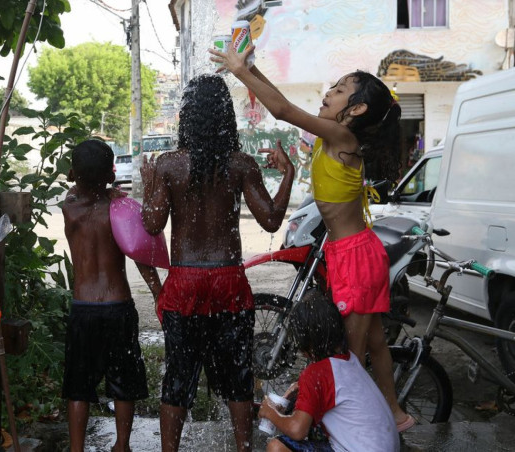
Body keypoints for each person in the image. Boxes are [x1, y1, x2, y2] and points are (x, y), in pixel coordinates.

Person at [210, 43, 413, 431]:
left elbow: (284, 111)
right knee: (373, 342)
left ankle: (343, 426)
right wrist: (250, 68)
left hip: (354, 256)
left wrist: (239, 71)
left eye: (339, 90)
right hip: (352, 252)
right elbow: (285, 104)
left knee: (347, 356)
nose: (329, 92)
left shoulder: (342, 138)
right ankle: (396, 414)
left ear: (356, 110)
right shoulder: (333, 137)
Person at [141, 73, 295, 452]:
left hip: (185, 281)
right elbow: (272, 219)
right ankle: (243, 448)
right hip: (229, 279)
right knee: (238, 374)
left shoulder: (169, 164)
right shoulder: (240, 164)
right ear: (226, 116)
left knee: (178, 376)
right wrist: (289, 173)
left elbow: (151, 224)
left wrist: (148, 184)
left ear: (187, 117)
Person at [62, 139, 163, 452]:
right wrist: (160, 295)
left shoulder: (69, 207)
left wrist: (83, 178)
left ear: (73, 174)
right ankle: (122, 445)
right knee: (123, 383)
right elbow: (142, 255)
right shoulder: (119, 209)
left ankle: (77, 449)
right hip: (118, 306)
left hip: (84, 308)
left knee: (79, 388)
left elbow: (79, 187)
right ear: (111, 174)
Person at [259, 290, 400, 452]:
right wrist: (298, 393)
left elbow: (297, 430)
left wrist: (270, 413)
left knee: (276, 447)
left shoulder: (316, 373)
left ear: (305, 342)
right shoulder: (349, 360)